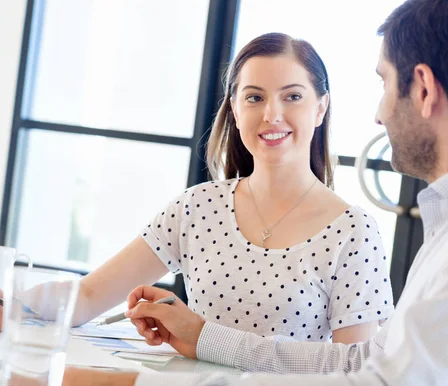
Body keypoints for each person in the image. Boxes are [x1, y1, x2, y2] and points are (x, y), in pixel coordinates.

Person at [60, 0, 448, 386]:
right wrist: (206, 338)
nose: (379, 114)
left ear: (423, 89)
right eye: (254, 97)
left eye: (385, 84)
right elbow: (364, 362)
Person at [0, 33, 394, 353]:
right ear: (235, 110)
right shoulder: (197, 207)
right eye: (254, 97)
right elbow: (86, 296)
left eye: (292, 96)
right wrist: (10, 305)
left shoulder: (354, 233)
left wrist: (202, 335)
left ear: (321, 108)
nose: (272, 114)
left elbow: (353, 375)